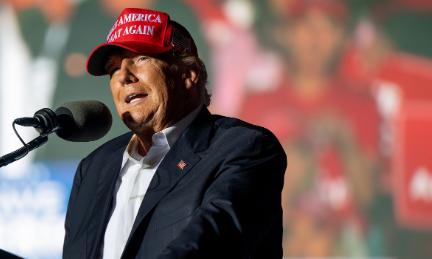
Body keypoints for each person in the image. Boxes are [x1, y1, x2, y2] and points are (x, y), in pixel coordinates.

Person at [62, 7, 286, 259]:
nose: (123, 76)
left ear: (188, 74)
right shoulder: (93, 168)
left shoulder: (244, 147)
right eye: (113, 68)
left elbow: (211, 245)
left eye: (141, 58)